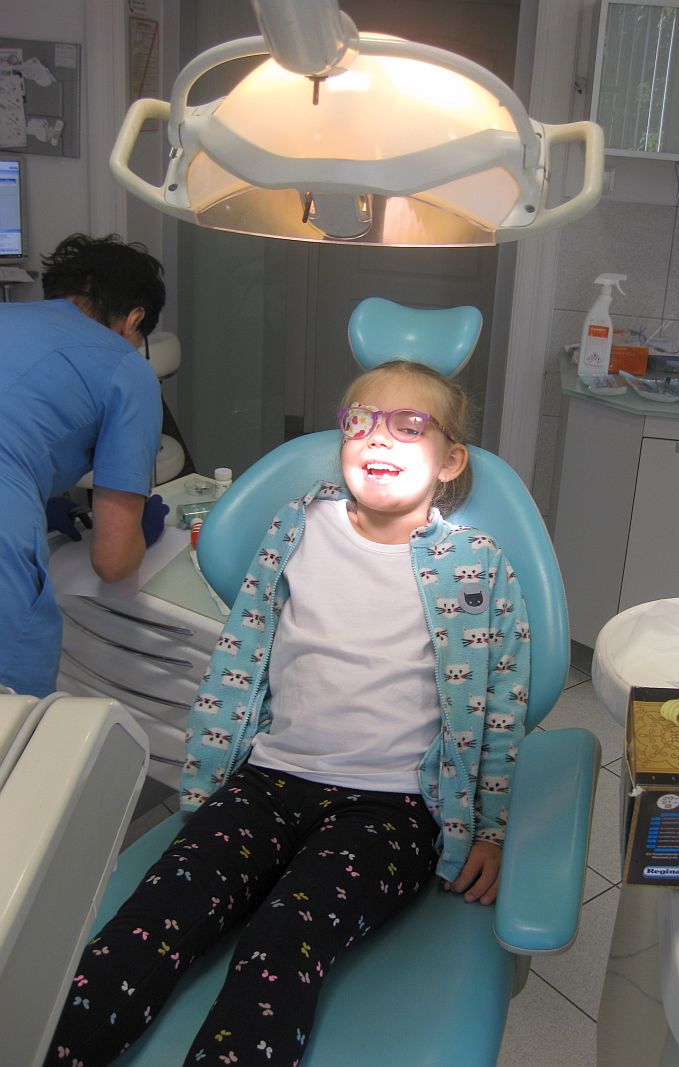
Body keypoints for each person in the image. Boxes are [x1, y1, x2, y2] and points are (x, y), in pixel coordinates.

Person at [47, 359, 531, 1067]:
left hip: (391, 808)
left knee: (282, 944)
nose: (378, 438)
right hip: (267, 783)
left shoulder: (476, 564)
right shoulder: (299, 527)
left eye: (409, 425)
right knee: (155, 918)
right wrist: (209, 778)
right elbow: (240, 653)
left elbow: (502, 703)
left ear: (451, 461)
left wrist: (489, 828)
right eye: (360, 422)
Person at [0, 233, 170, 698]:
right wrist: (139, 533)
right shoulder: (126, 368)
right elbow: (113, 563)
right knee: (15, 728)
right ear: (133, 320)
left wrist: (37, 502)